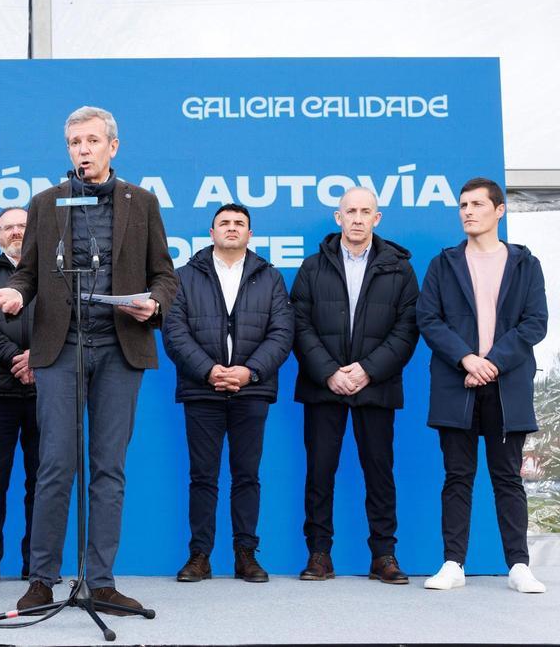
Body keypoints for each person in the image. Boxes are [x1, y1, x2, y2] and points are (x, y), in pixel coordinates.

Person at [0, 106, 178, 614]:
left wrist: (154, 303)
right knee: (54, 465)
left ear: (113, 146)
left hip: (120, 347)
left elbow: (165, 275)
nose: (83, 150)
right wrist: (14, 295)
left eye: (92, 141)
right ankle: (43, 580)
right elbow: (27, 274)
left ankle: (101, 581)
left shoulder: (142, 202)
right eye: (75, 143)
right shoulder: (47, 203)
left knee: (108, 469)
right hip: (60, 347)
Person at [417, 177, 548, 593]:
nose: (468, 211)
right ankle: (452, 563)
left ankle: (519, 566)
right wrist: (467, 358)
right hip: (458, 383)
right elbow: (428, 319)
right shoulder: (443, 264)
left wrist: (491, 362)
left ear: (499, 210)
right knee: (457, 476)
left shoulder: (526, 264)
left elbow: (535, 323)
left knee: (507, 477)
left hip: (506, 385)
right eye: (462, 205)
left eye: (476, 204)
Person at [290, 186, 419, 584]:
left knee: (379, 472)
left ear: (377, 218)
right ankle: (319, 555)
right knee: (319, 472)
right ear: (338, 217)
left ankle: (384, 556)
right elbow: (299, 325)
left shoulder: (400, 269)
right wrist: (330, 371)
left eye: (366, 211)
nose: (358, 218)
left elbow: (407, 328)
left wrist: (366, 370)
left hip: (375, 386)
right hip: (323, 385)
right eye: (351, 211)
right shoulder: (312, 268)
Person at [162, 204, 293, 583]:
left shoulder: (270, 277)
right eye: (225, 223)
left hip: (252, 391)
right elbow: (174, 331)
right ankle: (199, 556)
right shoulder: (184, 276)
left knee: (246, 476)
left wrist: (250, 372)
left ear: (250, 234)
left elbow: (282, 332)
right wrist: (209, 370)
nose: (232, 228)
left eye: (239, 224)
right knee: (202, 477)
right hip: (202, 391)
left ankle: (246, 556)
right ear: (211, 231)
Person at [0, 206, 39, 584]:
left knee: (43, 482)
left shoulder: (55, 271)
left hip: (48, 392)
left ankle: (38, 564)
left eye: (23, 226)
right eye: (8, 228)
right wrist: (17, 358)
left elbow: (67, 320)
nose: (16, 232)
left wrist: (39, 357)